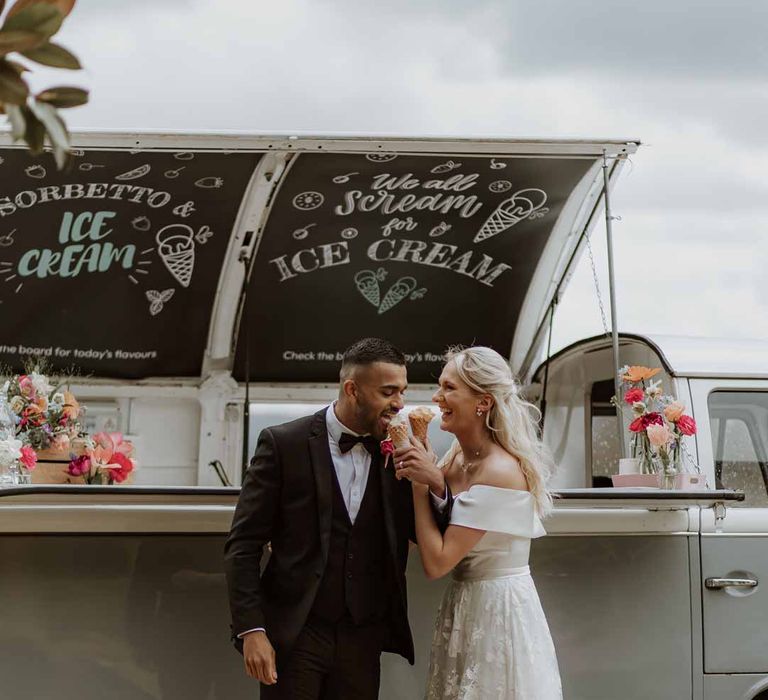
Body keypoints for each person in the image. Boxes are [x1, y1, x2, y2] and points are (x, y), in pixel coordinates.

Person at [224, 337, 450, 700]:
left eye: (403, 392)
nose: (399, 404)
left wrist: (434, 482)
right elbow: (243, 545)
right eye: (388, 392)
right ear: (352, 390)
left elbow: (421, 533)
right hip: (297, 632)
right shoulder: (284, 444)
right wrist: (251, 630)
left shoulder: (402, 450)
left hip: (363, 637)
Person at [394, 346, 563, 699]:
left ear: (482, 402)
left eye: (449, 388)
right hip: (465, 604)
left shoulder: (499, 471)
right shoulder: (456, 458)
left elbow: (437, 562)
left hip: (497, 611)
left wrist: (420, 485)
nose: (437, 397)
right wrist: (433, 480)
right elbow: (425, 530)